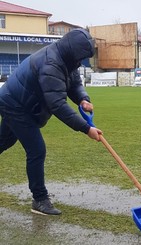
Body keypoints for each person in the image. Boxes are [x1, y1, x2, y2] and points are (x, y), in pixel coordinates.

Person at [0, 29, 102, 215]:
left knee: (4, 141)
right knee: (37, 150)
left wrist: (82, 99)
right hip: (15, 104)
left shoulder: (67, 60)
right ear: (72, 52)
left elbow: (74, 83)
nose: (80, 62)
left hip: (19, 100)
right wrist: (86, 128)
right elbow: (57, 105)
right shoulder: (51, 64)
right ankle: (40, 199)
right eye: (79, 58)